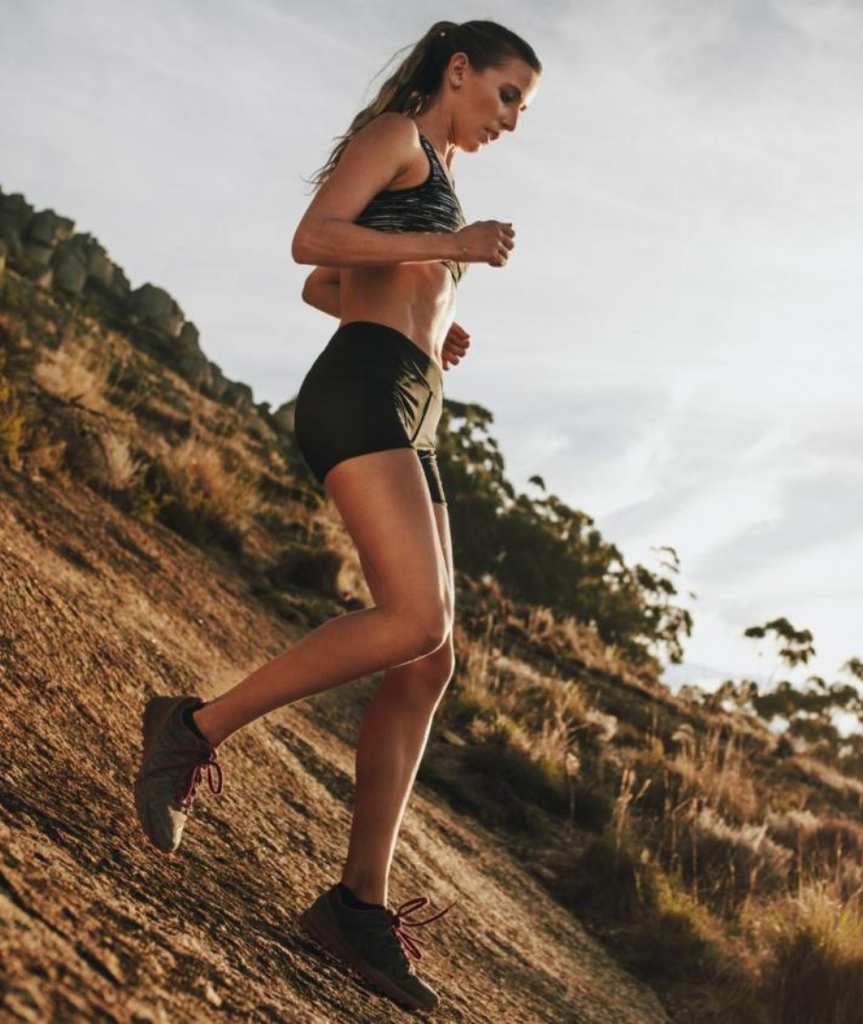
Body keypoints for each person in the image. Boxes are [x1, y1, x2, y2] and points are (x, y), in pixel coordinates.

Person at [132, 18, 542, 1014]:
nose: (513, 120)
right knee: (413, 618)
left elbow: (334, 282)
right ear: (457, 72)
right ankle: (192, 727)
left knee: (430, 658)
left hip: (409, 395)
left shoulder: (433, 165)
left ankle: (356, 904)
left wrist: (425, 320)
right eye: (507, 96)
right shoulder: (397, 136)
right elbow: (309, 242)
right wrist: (447, 249)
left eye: (522, 108)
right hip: (359, 392)